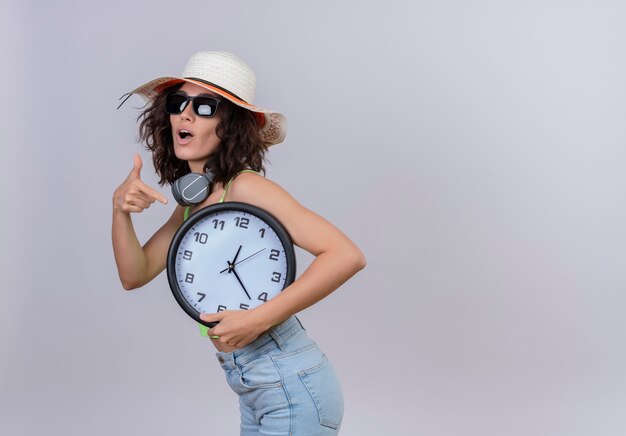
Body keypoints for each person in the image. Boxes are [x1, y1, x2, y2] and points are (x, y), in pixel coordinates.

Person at [112, 51, 366, 435]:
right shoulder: (193, 205)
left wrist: (257, 318)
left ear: (229, 124)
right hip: (255, 388)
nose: (186, 115)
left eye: (205, 107)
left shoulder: (245, 186)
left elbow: (346, 255)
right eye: (178, 103)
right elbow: (135, 273)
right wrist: (120, 211)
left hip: (289, 385)